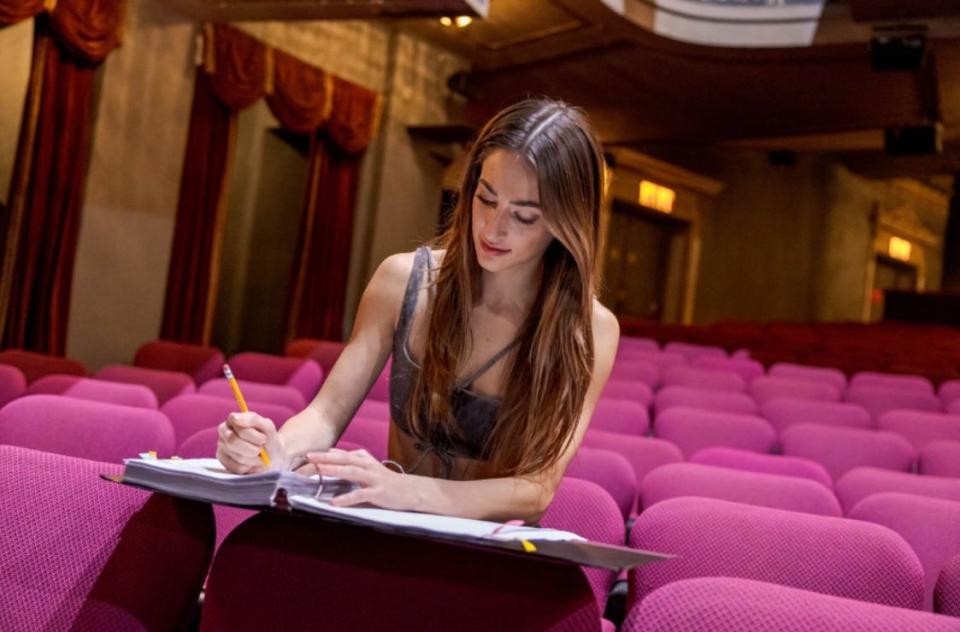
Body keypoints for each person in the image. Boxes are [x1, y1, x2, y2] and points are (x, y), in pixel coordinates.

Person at [217, 98, 619, 523]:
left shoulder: (589, 329)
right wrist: (275, 451)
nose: (493, 228)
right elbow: (326, 413)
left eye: (524, 217)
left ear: (566, 224)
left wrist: (408, 491)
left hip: (488, 557)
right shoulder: (401, 279)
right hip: (393, 530)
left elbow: (536, 487)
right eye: (486, 198)